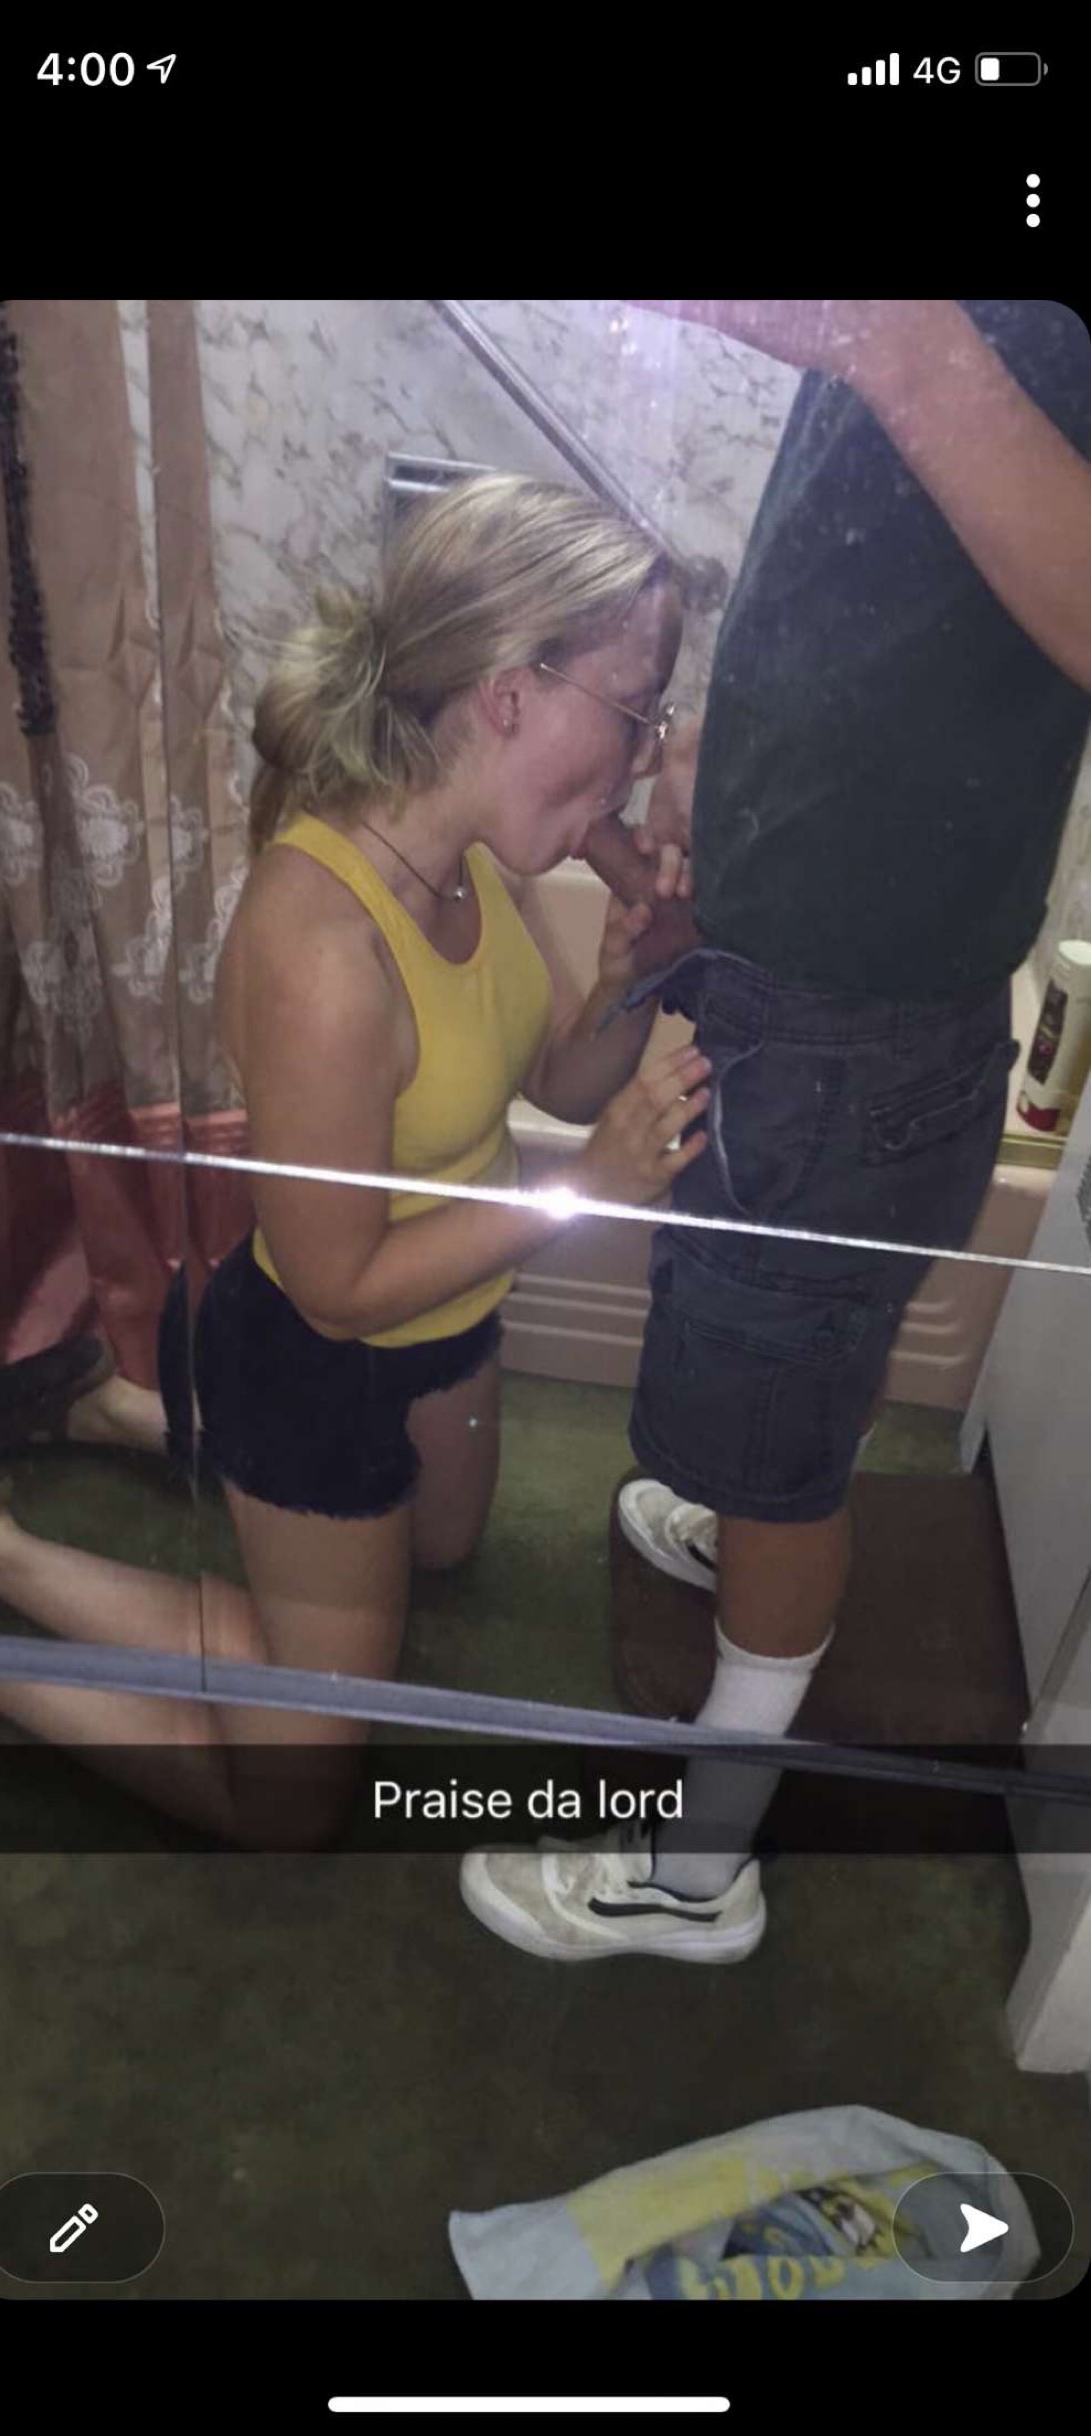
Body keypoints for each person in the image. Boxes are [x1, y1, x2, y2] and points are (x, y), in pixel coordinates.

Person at [459, 299, 1091, 1964]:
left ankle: (692, 1874)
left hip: (847, 1040)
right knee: (798, 1359)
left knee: (789, 1438)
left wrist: (896, 344)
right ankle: (757, 1509)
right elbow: (881, 604)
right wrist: (715, 769)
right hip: (839, 1006)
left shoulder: (947, 327)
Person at [0, 473, 706, 1850]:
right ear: (511, 691)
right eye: (635, 707)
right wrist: (583, 1192)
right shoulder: (323, 947)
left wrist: (629, 976)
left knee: (441, 1556)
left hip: (450, 1320)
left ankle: (128, 1417)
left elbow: (554, 1077)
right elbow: (337, 1288)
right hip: (315, 1355)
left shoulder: (473, 858)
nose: (642, 758)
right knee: (294, 1804)